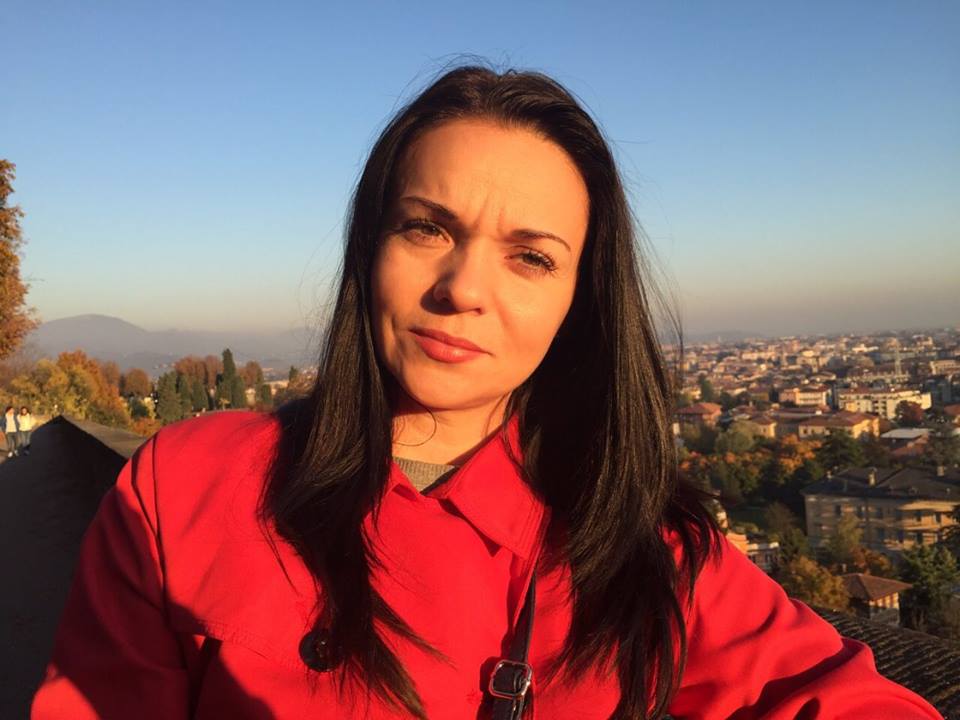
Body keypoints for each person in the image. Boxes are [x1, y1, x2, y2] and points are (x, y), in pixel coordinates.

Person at [32, 67, 943, 720]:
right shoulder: (187, 487)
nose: (464, 287)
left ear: (579, 301)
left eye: (530, 257)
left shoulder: (644, 546)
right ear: (369, 249)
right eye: (427, 229)